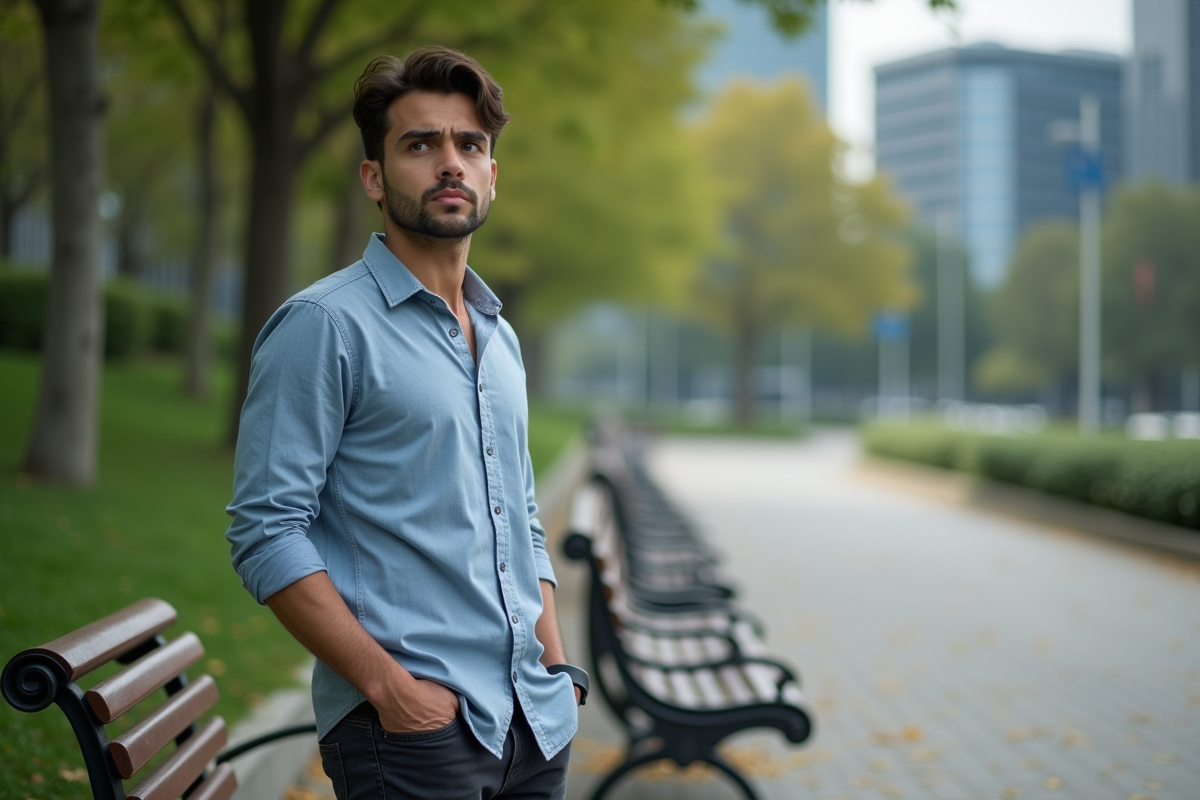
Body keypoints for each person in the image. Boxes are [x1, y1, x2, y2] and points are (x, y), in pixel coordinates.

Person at [225, 46, 582, 799]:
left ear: (492, 174)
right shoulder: (324, 326)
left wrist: (555, 666)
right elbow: (266, 530)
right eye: (420, 144)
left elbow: (520, 514)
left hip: (532, 720)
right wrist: (388, 689)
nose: (450, 163)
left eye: (470, 145)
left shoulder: (500, 335)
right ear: (375, 178)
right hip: (413, 734)